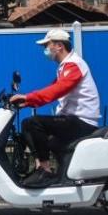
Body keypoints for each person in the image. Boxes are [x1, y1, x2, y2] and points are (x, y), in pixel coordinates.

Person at [10, 28, 101, 187]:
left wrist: (28, 97)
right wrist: (28, 102)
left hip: (81, 121)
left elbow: (57, 90)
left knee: (32, 123)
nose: (45, 49)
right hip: (74, 120)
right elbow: (53, 89)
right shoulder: (65, 66)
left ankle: (44, 170)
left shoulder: (74, 65)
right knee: (43, 136)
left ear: (59, 46)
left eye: (47, 45)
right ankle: (57, 174)